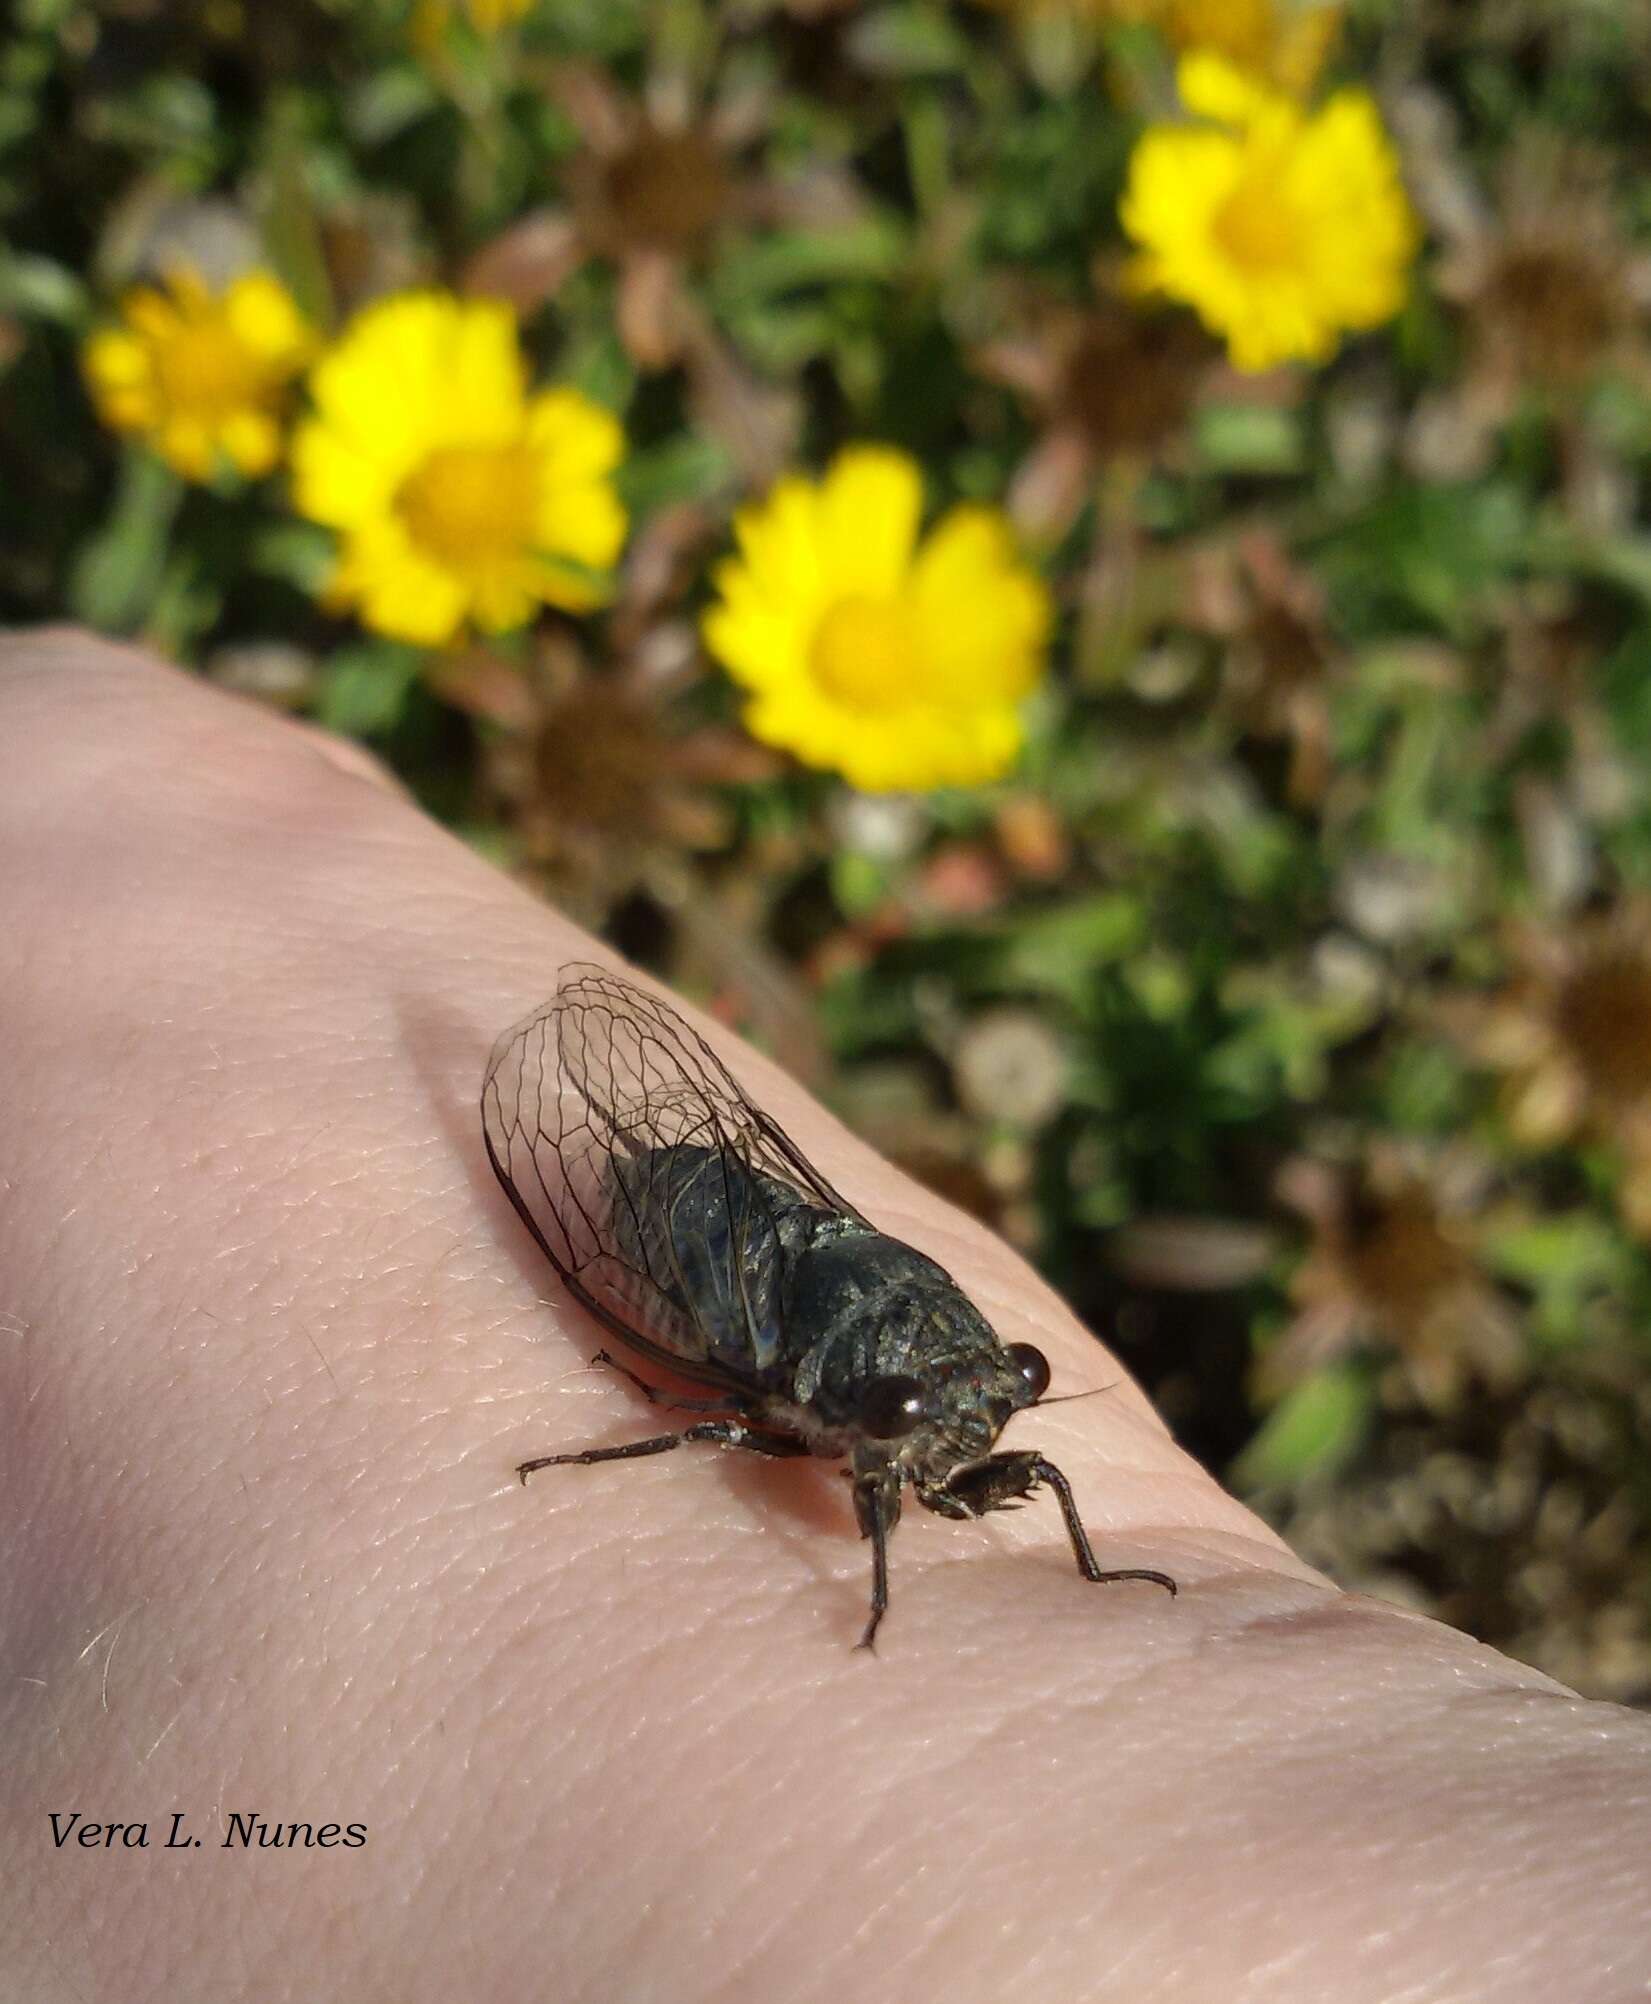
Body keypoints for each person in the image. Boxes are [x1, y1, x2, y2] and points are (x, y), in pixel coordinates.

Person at [3, 627, 1648, 2002]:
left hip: (793, 1251)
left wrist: (1053, 1535)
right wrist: (649, 1464)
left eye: (985, 1401)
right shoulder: (822, 1424)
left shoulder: (963, 1423)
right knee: (689, 1381)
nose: (958, 1439)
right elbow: (734, 1410)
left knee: (989, 1451)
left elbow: (1016, 1451)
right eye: (930, 1424)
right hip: (706, 1250)